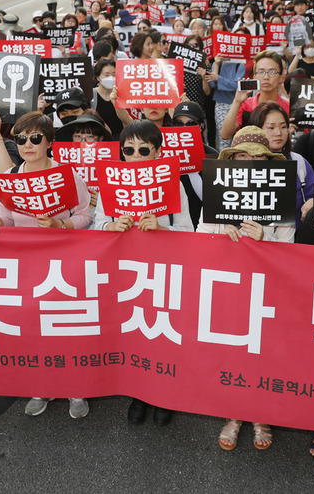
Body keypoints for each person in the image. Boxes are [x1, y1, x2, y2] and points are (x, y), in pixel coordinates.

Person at [0, 111, 93, 421]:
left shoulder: (69, 175)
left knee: (65, 325)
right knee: (34, 325)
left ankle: (75, 387)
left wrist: (61, 224)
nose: (27, 145)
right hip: (27, 263)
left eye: (35, 138)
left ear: (49, 142)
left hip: (64, 263)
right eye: (20, 139)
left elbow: (86, 216)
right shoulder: (13, 176)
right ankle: (42, 386)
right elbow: (6, 214)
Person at [91, 120, 192, 427]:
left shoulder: (173, 183)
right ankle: (139, 393)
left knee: (161, 330)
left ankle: (163, 394)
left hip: (162, 270)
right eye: (128, 150)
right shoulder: (110, 180)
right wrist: (111, 226)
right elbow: (96, 226)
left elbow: (189, 230)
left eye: (143, 150)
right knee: (134, 332)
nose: (135, 155)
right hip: (125, 271)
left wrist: (162, 229)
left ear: (158, 152)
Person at [198, 127, 292, 452]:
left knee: (263, 353)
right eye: (242, 156)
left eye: (258, 158)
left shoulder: (281, 192)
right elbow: (198, 237)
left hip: (267, 291)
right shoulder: (217, 190)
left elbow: (291, 249)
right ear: (231, 160)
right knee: (232, 352)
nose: (250, 163)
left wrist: (264, 240)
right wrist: (219, 233)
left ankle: (260, 414)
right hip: (228, 287)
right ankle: (234, 413)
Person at [249, 102, 314, 226]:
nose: (278, 133)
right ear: (256, 130)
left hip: (291, 238)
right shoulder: (244, 162)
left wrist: (313, 202)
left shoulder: (299, 162)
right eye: (271, 128)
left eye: (283, 127)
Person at [221, 51, 289, 141]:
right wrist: (237, 102)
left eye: (272, 72)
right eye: (261, 72)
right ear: (254, 77)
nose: (266, 77)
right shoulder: (245, 105)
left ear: (281, 77)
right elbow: (225, 135)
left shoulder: (288, 107)